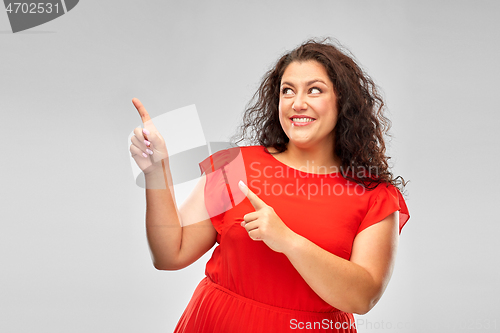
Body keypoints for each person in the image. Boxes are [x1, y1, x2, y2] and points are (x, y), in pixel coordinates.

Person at [129, 38, 410, 333]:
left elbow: (363, 296)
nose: (297, 103)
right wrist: (156, 172)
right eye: (287, 91)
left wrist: (287, 240)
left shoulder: (375, 196)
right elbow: (169, 254)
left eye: (315, 90)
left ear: (343, 101)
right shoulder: (233, 165)